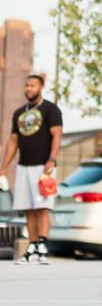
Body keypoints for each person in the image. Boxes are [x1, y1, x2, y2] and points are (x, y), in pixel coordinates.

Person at [1, 73, 62, 265]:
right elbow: (13, 141)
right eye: (26, 85)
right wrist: (4, 168)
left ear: (41, 87)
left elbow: (57, 135)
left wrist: (52, 158)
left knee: (42, 207)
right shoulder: (19, 113)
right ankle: (33, 246)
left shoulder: (50, 109)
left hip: (44, 166)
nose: (29, 89)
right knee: (28, 208)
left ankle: (42, 246)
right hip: (23, 166)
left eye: (32, 85)